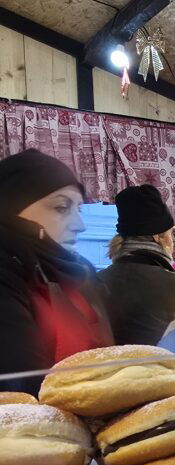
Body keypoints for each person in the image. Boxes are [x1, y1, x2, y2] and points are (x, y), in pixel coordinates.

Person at [0, 149, 113, 393]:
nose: (79, 225)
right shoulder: (7, 278)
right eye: (61, 207)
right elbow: (24, 394)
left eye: (79, 209)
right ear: (9, 208)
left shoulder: (81, 274)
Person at [97, 185, 175, 347]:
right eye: (171, 233)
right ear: (158, 237)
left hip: (106, 372)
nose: (172, 241)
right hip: (165, 372)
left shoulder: (96, 282)